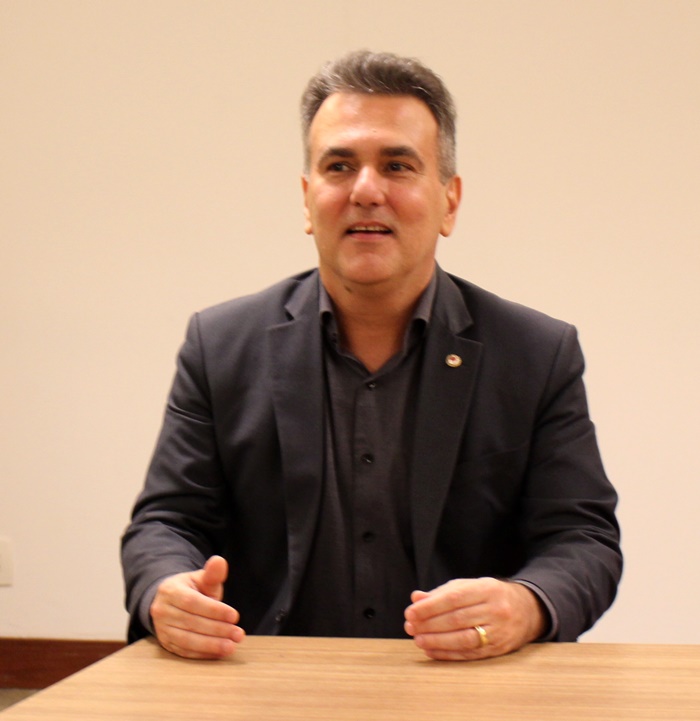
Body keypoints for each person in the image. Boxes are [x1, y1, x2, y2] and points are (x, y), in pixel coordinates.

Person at [121, 50, 622, 662]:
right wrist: (166, 590)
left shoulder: (535, 355)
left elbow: (583, 539)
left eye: (397, 166)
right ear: (308, 200)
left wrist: (527, 603)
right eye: (339, 166)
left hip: (463, 685)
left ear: (450, 202)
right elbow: (166, 523)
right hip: (267, 680)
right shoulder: (221, 345)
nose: (365, 190)